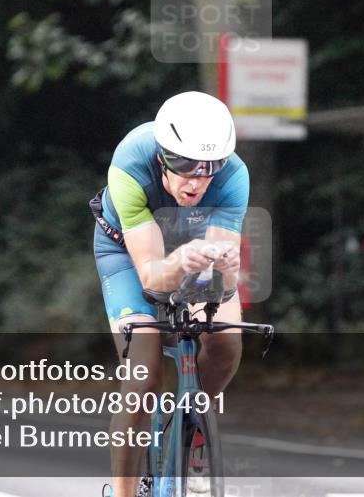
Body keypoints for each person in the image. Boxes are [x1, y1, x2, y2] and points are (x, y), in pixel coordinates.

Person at [90, 91, 249, 497]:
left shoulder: (234, 177)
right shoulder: (129, 164)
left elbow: (222, 286)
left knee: (226, 342)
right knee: (144, 374)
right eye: (185, 166)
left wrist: (227, 273)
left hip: (191, 250)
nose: (197, 180)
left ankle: (187, 433)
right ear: (162, 156)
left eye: (210, 168)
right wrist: (181, 261)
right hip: (127, 254)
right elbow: (152, 278)